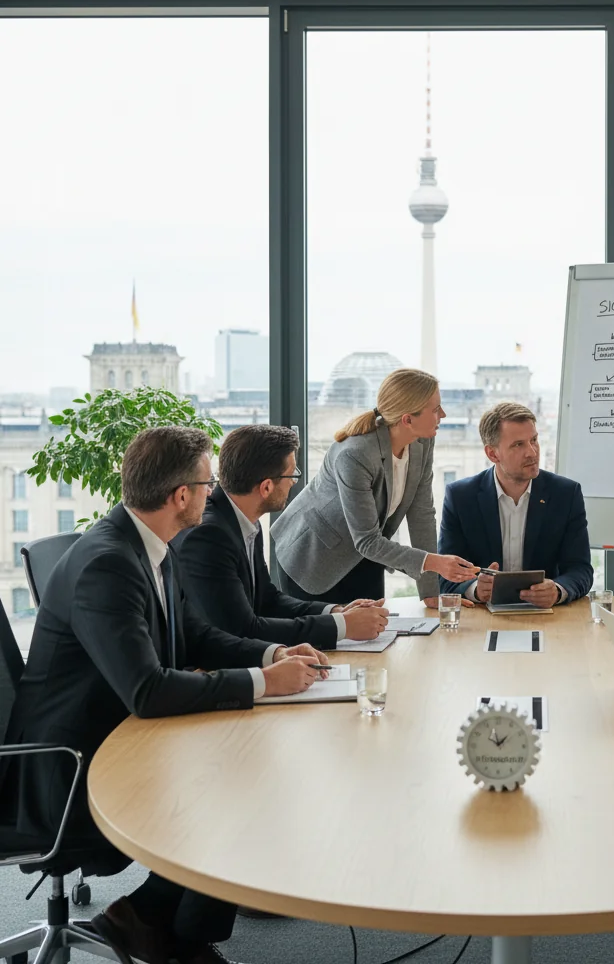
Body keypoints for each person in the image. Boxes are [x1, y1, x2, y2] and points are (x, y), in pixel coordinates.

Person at [0, 426, 329, 964]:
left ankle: (156, 924)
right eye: (207, 484)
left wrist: (272, 656)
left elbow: (197, 635)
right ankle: (165, 929)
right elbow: (147, 691)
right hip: (67, 768)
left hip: (114, 735)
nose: (213, 493)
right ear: (181, 496)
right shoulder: (108, 563)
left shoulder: (150, 545)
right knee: (234, 781)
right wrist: (263, 684)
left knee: (245, 767)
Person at [272, 368, 477, 606]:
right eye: (435, 409)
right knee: (325, 641)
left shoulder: (423, 440)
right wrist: (436, 562)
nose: (443, 414)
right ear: (407, 419)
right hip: (313, 559)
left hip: (367, 555)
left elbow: (421, 514)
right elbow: (367, 540)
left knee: (374, 636)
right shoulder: (355, 454)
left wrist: (431, 592)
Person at [173, 425, 388, 648]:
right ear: (266, 487)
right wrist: (342, 627)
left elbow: (267, 600)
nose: (294, 482)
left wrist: (337, 611)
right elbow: (242, 630)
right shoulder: (210, 537)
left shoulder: (244, 520)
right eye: (292, 474)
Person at [438, 401, 593, 607]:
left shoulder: (565, 494)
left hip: (547, 618)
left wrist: (557, 590)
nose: (532, 452)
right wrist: (476, 589)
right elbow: (446, 576)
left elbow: (581, 569)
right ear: (493, 454)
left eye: (534, 440)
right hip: (482, 620)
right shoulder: (460, 497)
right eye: (518, 444)